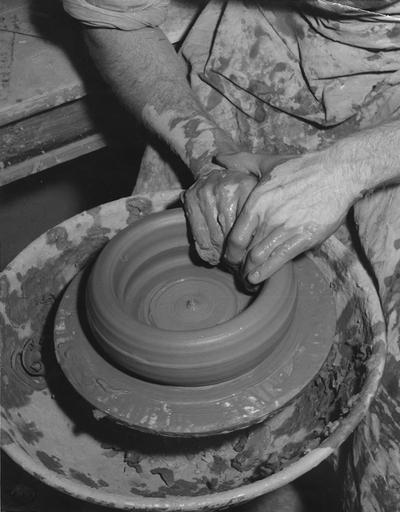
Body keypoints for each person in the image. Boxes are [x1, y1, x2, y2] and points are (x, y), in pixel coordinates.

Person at [62, 0, 400, 510]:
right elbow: (113, 19)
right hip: (265, 34)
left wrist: (348, 167)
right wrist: (210, 153)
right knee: (163, 442)